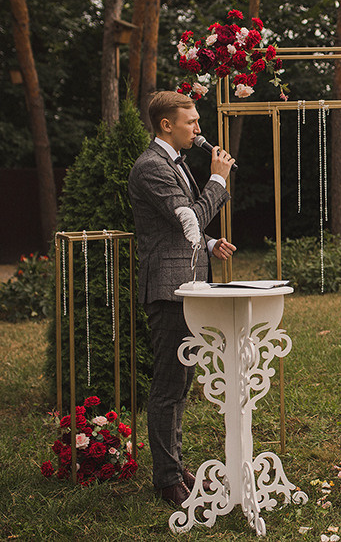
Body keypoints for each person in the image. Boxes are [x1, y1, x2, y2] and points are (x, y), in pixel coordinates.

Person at [128, 90, 237, 507]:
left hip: (187, 285)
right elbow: (189, 216)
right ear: (166, 125)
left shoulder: (174, 163)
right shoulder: (151, 166)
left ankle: (174, 465)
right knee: (169, 387)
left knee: (182, 384)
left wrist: (208, 245)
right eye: (191, 122)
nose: (198, 129)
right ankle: (166, 479)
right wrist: (218, 180)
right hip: (169, 291)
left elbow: (177, 228)